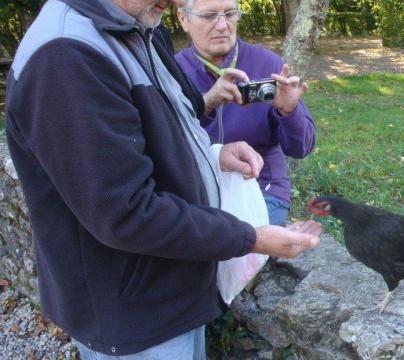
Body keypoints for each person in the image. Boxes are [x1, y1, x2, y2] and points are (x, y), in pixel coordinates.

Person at [4, 0, 321, 358]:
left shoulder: (137, 28)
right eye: (206, 14)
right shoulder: (65, 58)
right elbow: (125, 212)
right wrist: (249, 237)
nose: (173, 2)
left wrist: (215, 155)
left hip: (172, 288)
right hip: (135, 315)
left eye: (230, 13)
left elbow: (148, 135)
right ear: (188, 21)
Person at [175, 0, 316, 225]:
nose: (222, 25)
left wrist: (289, 110)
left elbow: (300, 148)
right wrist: (207, 103)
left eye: (230, 14)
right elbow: (167, 140)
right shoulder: (173, 70)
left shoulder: (267, 64)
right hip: (196, 189)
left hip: (261, 188)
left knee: (231, 243)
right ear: (183, 19)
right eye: (209, 15)